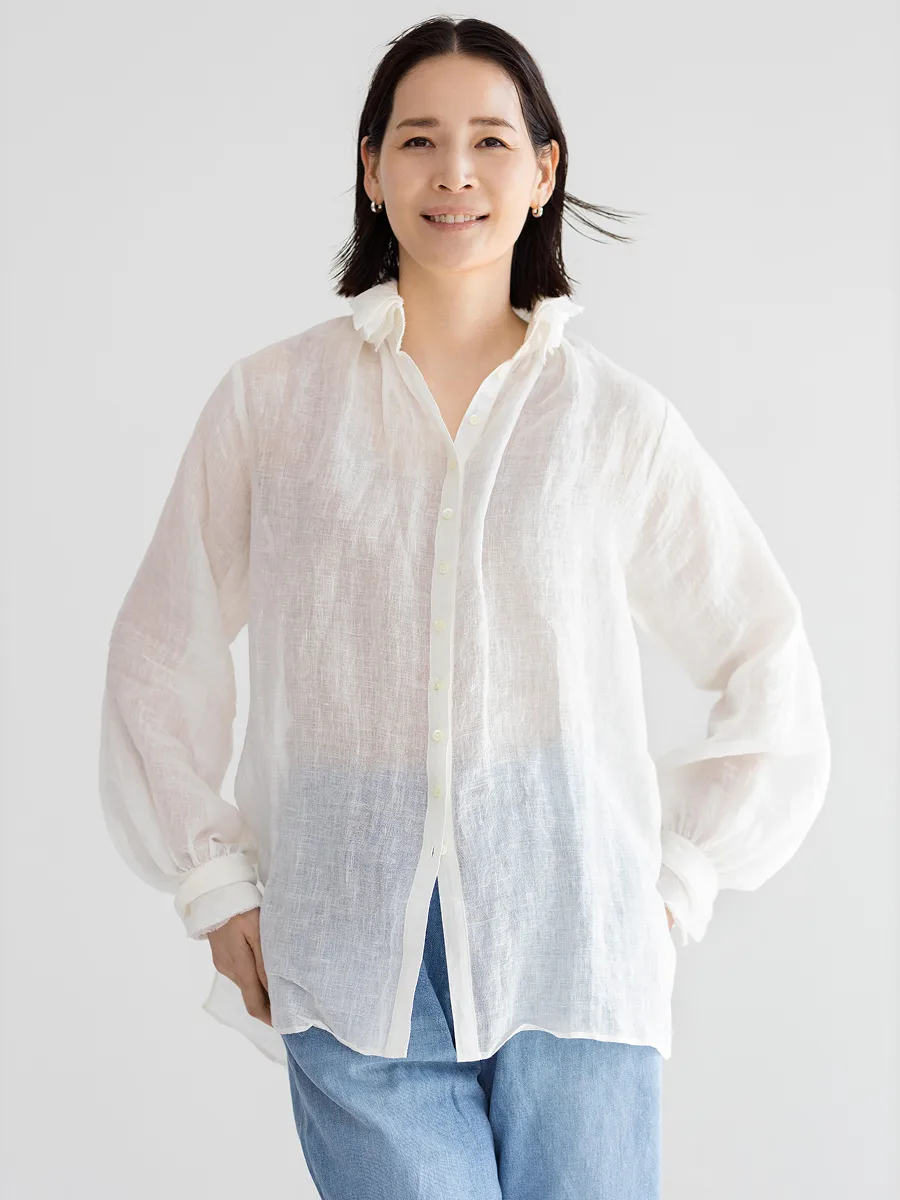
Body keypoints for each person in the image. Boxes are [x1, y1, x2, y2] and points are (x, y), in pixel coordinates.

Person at [97, 15, 832, 1199]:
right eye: (418, 140)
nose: (454, 173)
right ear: (371, 168)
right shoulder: (273, 405)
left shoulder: (612, 421)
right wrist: (214, 884)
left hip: (575, 929)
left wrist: (679, 879)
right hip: (346, 923)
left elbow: (764, 650)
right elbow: (158, 648)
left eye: (491, 140)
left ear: (544, 172)